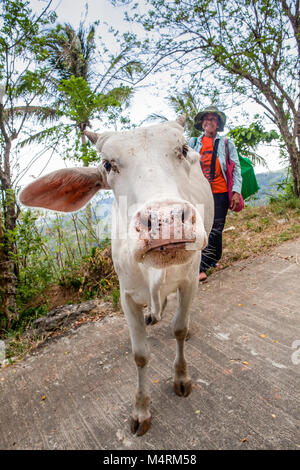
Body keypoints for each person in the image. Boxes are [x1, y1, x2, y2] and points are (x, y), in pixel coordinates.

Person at [188, 106, 242, 281]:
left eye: (213, 119)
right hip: (198, 192)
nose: (209, 122)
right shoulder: (193, 143)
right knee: (200, 227)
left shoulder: (226, 143)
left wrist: (236, 191)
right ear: (202, 123)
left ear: (217, 124)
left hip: (219, 191)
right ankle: (209, 261)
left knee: (216, 228)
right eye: (206, 119)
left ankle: (205, 264)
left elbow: (236, 168)